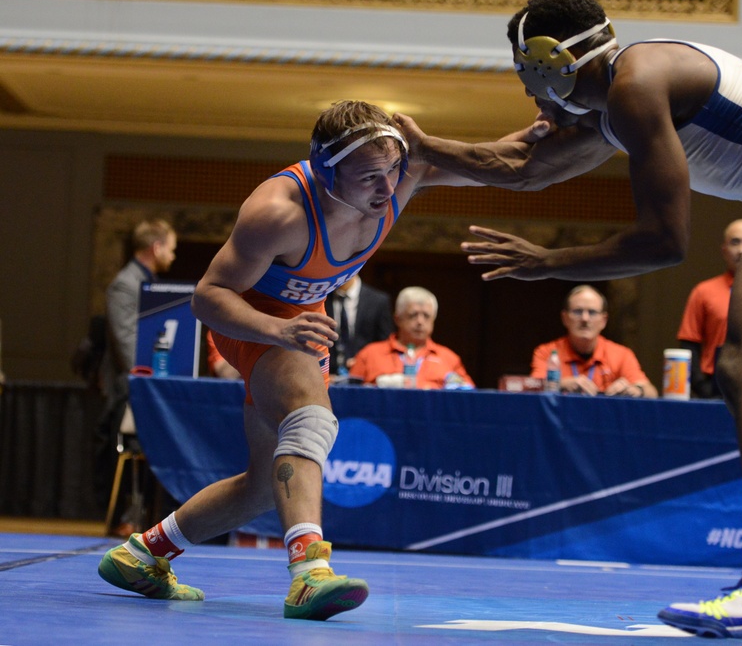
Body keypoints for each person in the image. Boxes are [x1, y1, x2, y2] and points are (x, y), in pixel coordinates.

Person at [393, 0, 742, 640]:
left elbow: (666, 242)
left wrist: (551, 261)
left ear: (552, 64)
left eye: (528, 78)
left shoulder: (635, 85)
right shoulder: (622, 98)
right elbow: (520, 165)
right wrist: (423, 150)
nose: (530, 98)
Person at [97, 100, 488, 620]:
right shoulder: (279, 211)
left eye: (393, 170)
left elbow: (499, 164)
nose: (386, 188)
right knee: (311, 421)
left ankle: (142, 554)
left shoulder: (397, 181)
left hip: (300, 323)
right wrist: (278, 330)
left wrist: (571, 134)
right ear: (327, 171)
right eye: (370, 175)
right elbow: (207, 297)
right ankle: (309, 574)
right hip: (254, 319)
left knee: (263, 487)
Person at [96, 219, 177, 532]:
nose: (173, 255)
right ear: (156, 247)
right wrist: (150, 378)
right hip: (127, 390)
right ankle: (123, 518)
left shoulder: (149, 282)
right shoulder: (125, 284)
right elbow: (126, 340)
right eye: (171, 248)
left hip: (143, 386)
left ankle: (144, 515)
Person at [677, 219, 742, 399]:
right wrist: (702, 388)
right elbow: (689, 345)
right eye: (735, 242)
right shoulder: (703, 292)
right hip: (713, 386)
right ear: (724, 250)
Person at [531, 284, 655, 397]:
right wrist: (561, 384)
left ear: (604, 320)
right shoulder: (547, 352)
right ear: (565, 318)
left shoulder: (622, 354)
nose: (585, 318)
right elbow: (531, 387)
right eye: (578, 311)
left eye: (592, 312)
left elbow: (651, 392)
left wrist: (636, 390)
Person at [349, 286, 474, 389]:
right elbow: (350, 396)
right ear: (398, 319)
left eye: (426, 316)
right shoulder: (369, 354)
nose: (420, 321)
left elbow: (467, 398)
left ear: (433, 320)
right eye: (413, 315)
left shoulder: (449, 359)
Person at [323, 273, 394, 376]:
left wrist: (363, 361)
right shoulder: (320, 299)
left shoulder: (378, 301)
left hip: (364, 376)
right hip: (327, 376)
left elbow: (384, 345)